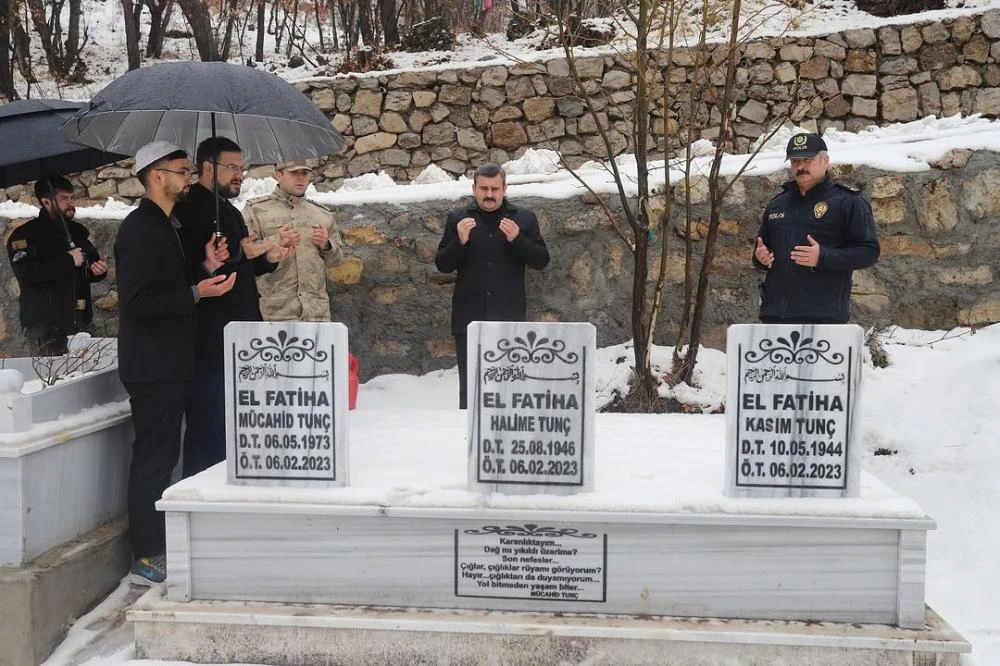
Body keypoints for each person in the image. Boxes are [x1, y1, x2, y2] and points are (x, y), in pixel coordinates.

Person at [115, 141, 236, 585]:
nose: (189, 179)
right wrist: (196, 292)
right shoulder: (139, 229)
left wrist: (204, 266)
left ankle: (163, 540)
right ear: (156, 176)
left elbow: (172, 286)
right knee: (154, 459)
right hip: (153, 366)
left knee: (166, 455)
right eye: (182, 172)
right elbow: (138, 304)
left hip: (172, 362)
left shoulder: (165, 223)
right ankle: (146, 553)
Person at [173, 137, 293, 477]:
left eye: (242, 168)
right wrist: (238, 255)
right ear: (208, 168)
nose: (239, 174)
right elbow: (191, 270)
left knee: (234, 429)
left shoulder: (228, 210)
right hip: (209, 338)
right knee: (208, 429)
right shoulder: (188, 210)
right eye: (232, 167)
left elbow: (240, 268)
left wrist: (269, 258)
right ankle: (198, 494)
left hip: (240, 338)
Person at [435, 163, 550, 409]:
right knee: (471, 390)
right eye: (484, 188)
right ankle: (469, 432)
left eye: (495, 189)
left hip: (508, 318)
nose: (489, 194)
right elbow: (443, 265)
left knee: (509, 388)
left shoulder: (524, 218)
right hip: (468, 317)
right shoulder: (458, 219)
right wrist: (459, 242)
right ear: (474, 189)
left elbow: (541, 260)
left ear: (504, 189)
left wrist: (517, 239)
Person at [753, 133, 880, 324]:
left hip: (823, 318)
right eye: (795, 161)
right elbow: (762, 251)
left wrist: (823, 257)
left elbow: (869, 252)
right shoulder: (777, 205)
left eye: (808, 160)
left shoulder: (848, 202)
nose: (801, 167)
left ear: (825, 161)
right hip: (775, 316)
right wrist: (761, 257)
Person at [6, 176, 107, 355]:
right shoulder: (25, 235)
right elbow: (27, 274)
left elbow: (89, 264)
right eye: (64, 199)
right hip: (45, 326)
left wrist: (97, 270)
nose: (71, 203)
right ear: (46, 201)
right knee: (51, 373)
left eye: (72, 198)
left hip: (80, 320)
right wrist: (68, 260)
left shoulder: (78, 232)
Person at [243, 159, 345, 321]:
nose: (300, 178)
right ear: (278, 175)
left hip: (316, 314)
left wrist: (327, 245)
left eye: (305, 173)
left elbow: (337, 261)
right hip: (274, 314)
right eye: (294, 173)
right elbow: (244, 254)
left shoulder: (322, 214)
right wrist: (276, 240)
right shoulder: (256, 210)